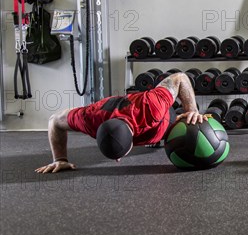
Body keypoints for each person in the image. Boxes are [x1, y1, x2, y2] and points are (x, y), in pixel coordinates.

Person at [35, 73, 208, 173]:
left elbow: (180, 78)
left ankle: (163, 131)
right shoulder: (89, 119)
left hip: (161, 118)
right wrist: (60, 159)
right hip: (121, 111)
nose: (118, 160)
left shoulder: (152, 107)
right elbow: (54, 121)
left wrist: (192, 110)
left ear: (133, 141)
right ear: (96, 133)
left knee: (171, 122)